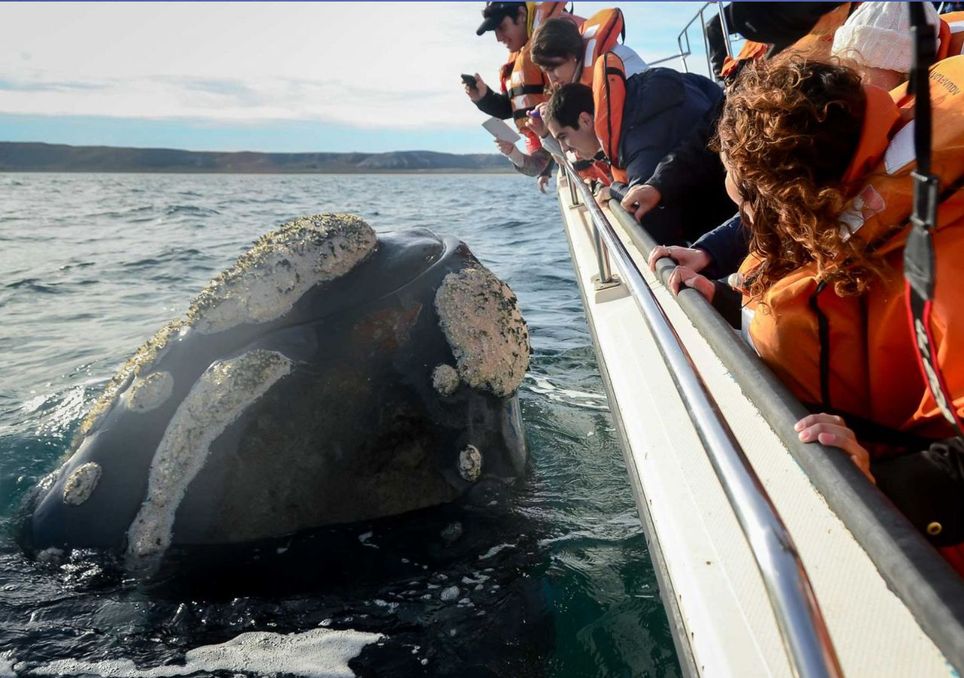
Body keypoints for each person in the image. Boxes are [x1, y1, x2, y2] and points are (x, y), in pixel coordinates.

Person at [662, 56, 964, 575]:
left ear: (789, 201)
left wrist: (876, 485)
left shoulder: (945, 266)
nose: (744, 220)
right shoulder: (844, 201)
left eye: (745, 202)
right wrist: (725, 300)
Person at [534, 15, 729, 244]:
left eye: (564, 138)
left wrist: (616, 189)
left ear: (586, 120)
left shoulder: (634, 131)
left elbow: (643, 204)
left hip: (726, 213)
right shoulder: (649, 84)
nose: (567, 148)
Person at [466, 2, 575, 185]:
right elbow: (517, 105)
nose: (499, 38)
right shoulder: (520, 57)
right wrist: (484, 98)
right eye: (495, 32)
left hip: (569, 149)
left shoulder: (550, 48)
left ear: (522, 14)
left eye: (502, 27)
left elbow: (560, 105)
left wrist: (544, 167)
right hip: (548, 148)